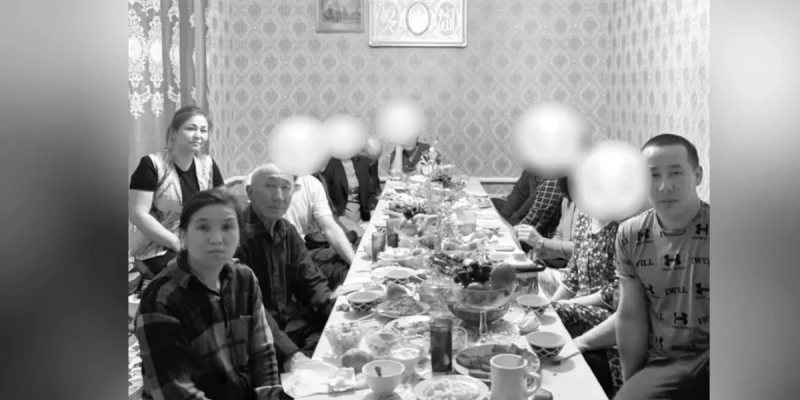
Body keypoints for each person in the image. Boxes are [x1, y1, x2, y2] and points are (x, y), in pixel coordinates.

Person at [134, 188, 285, 400]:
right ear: (183, 236)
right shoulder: (161, 298)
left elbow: (263, 352)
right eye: (203, 227)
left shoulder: (245, 278)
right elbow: (173, 390)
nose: (216, 239)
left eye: (227, 226)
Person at [614, 133, 709, 400]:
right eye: (653, 175)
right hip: (666, 362)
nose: (664, 186)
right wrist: (632, 381)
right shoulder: (631, 234)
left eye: (676, 173)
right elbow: (631, 315)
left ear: (698, 175)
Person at [237, 164, 337, 359]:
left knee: (339, 340)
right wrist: (292, 355)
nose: (279, 196)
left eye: (285, 188)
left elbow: (311, 282)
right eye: (270, 186)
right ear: (250, 192)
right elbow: (250, 310)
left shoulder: (287, 231)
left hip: (287, 327)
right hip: (254, 339)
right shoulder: (237, 236)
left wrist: (336, 313)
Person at [129, 106, 225, 279]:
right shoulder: (152, 164)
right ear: (174, 132)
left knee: (234, 268)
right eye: (191, 128)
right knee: (193, 275)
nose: (198, 135)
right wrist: (175, 242)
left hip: (198, 242)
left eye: (203, 130)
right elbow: (138, 214)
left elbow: (223, 207)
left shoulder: (208, 165)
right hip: (157, 247)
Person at [281, 172, 356, 290]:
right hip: (280, 256)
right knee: (341, 272)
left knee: (355, 257)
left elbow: (330, 228)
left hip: (303, 250)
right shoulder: (260, 183)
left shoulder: (311, 183)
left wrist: (355, 264)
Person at [320, 135, 383, 233]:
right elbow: (326, 202)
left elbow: (370, 194)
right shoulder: (329, 165)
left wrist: (372, 215)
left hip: (362, 218)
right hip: (340, 218)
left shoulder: (361, 163)